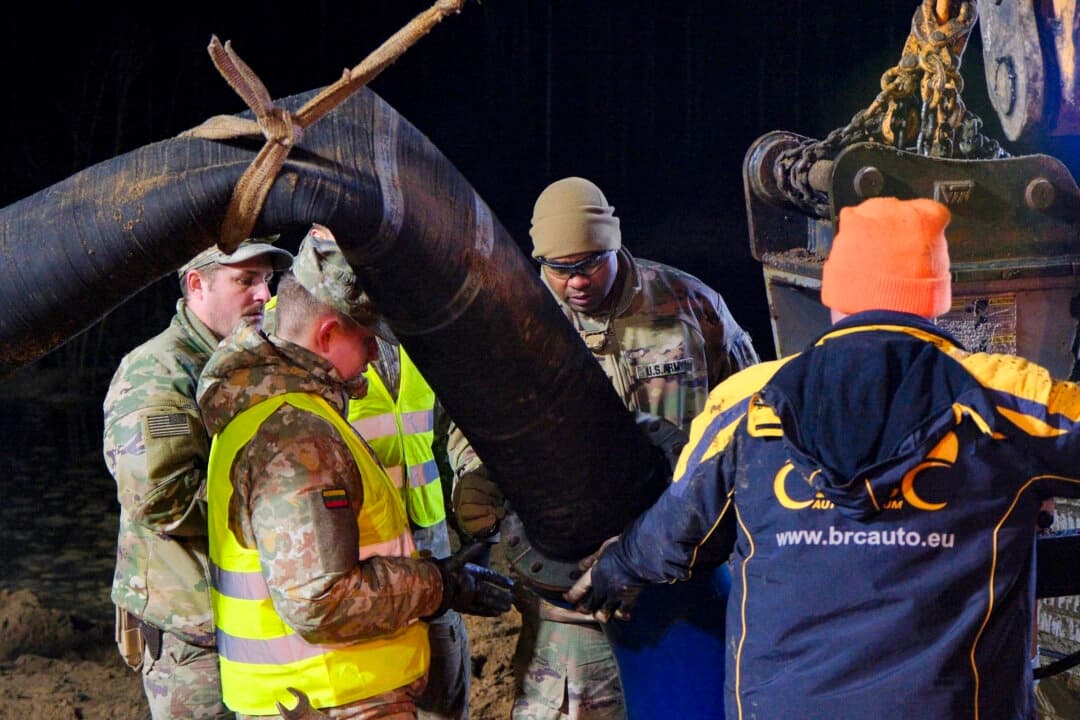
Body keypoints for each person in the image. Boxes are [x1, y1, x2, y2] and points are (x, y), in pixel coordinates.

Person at [568, 196, 1080, 720]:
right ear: (936, 296)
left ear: (833, 292)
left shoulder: (746, 404)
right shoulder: (1002, 399)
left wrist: (618, 564)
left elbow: (677, 535)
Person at [449, 176, 760, 719]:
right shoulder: (518, 321)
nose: (575, 283)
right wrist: (476, 472)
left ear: (615, 245)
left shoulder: (691, 307)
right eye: (559, 268)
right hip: (573, 594)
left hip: (680, 571)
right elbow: (474, 419)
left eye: (590, 263)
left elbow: (750, 409)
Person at [197, 223, 513, 719]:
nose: (373, 353)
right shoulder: (297, 435)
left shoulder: (267, 404)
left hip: (321, 691)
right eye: (367, 340)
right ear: (326, 333)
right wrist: (439, 585)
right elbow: (319, 600)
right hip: (334, 696)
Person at [102, 237, 294, 719]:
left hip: (253, 620)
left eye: (266, 280)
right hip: (193, 635)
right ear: (197, 285)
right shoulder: (157, 372)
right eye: (245, 281)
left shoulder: (252, 361)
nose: (263, 296)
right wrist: (283, 503)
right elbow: (163, 499)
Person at [348, 342, 473, 720]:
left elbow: (460, 415)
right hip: (358, 552)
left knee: (444, 690)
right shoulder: (293, 323)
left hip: (429, 537)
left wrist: (471, 478)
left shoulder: (415, 317)